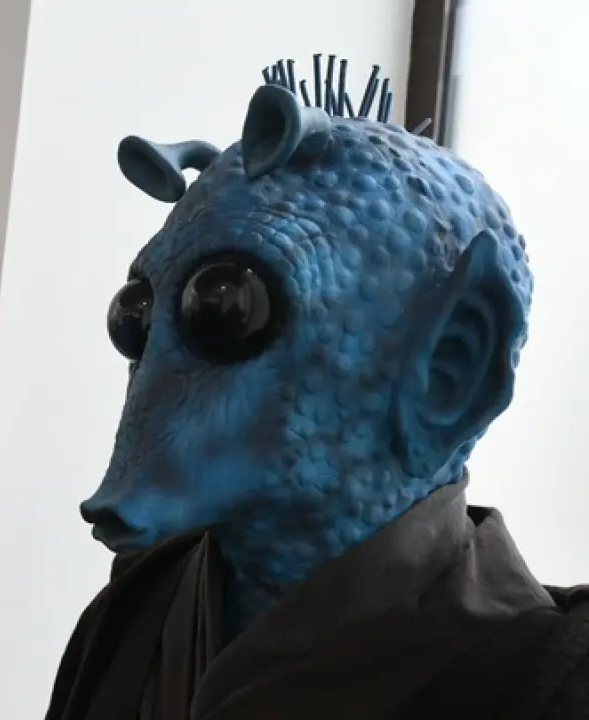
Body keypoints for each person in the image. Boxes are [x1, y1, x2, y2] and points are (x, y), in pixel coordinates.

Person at [47, 59, 589, 720]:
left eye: (228, 309)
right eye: (136, 319)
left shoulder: (546, 691)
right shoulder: (127, 619)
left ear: (451, 366)